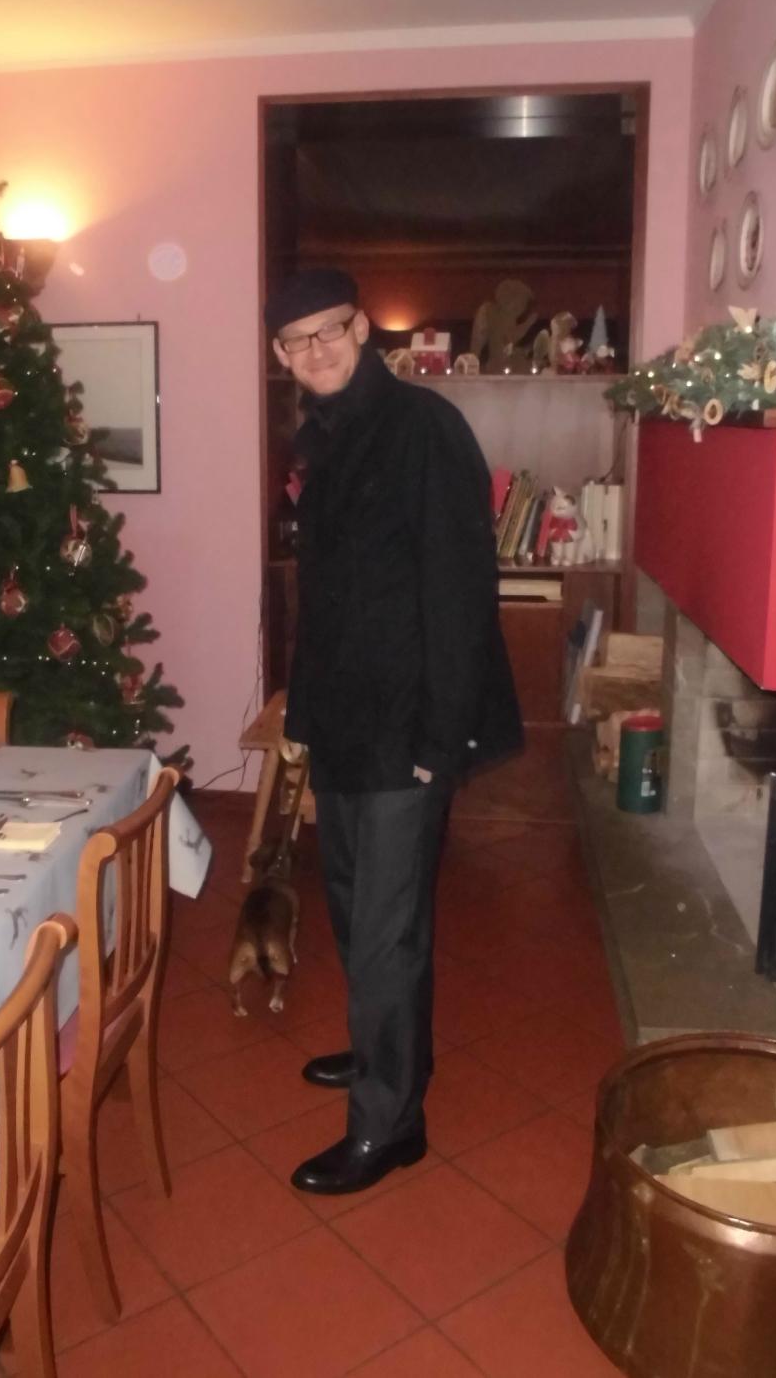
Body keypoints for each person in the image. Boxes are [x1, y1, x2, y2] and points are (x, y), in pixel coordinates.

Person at [266, 268, 522, 1195]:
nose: (316, 350)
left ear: (362, 327)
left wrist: (438, 741)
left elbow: (460, 593)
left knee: (385, 931)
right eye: (296, 340)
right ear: (279, 354)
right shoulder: (321, 434)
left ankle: (388, 1123)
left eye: (329, 329)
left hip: (406, 725)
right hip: (343, 719)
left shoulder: (423, 427)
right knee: (350, 904)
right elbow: (328, 596)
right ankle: (388, 1050)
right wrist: (301, 715)